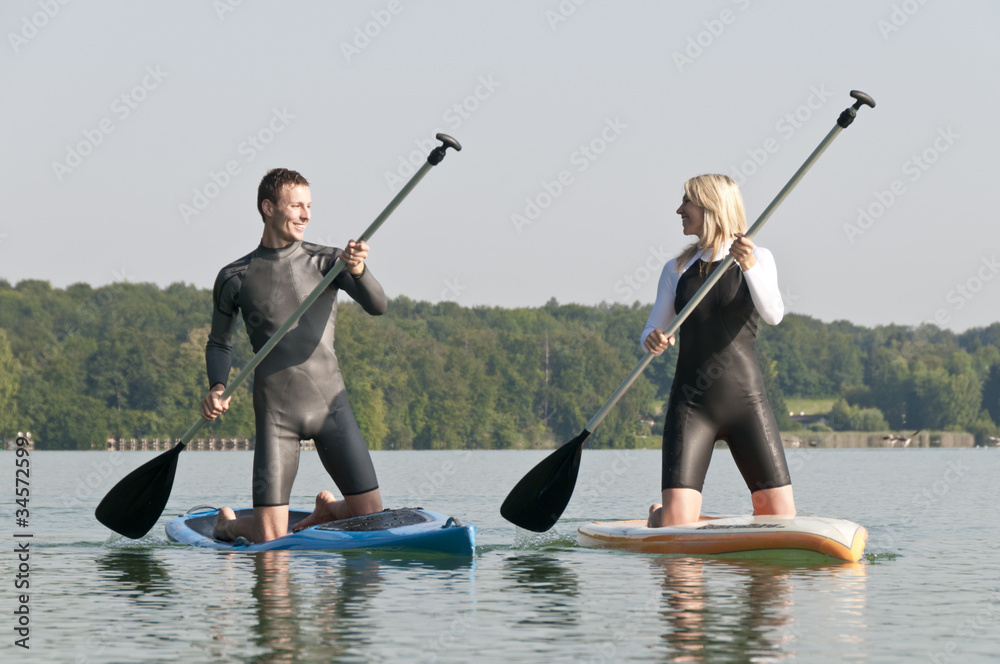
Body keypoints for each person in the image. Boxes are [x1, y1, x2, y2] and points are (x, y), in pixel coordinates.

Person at [201, 168, 387, 543]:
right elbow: (220, 342)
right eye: (296, 206)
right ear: (268, 208)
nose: (306, 215)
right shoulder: (234, 276)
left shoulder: (329, 262)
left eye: (309, 206)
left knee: (373, 522)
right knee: (271, 539)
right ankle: (228, 525)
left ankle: (329, 512)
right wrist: (218, 386)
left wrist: (359, 269)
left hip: (330, 407)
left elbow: (378, 305)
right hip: (276, 415)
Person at [642, 173, 795, 528]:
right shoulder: (676, 269)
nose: (679, 209)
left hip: (747, 402)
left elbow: (773, 315)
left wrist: (749, 266)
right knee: (677, 524)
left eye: (687, 202)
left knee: (780, 518)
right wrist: (653, 339)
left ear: (711, 207)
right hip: (692, 405)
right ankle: (659, 516)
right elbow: (652, 328)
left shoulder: (758, 256)